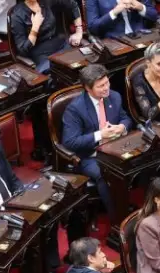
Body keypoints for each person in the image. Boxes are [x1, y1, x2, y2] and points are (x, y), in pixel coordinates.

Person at [61, 65, 133, 218]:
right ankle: (118, 219)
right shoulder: (75, 109)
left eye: (107, 83)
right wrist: (100, 134)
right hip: (91, 156)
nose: (106, 88)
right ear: (88, 88)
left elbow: (125, 118)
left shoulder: (114, 96)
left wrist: (122, 127)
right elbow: (70, 142)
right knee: (107, 175)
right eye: (101, 86)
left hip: (116, 148)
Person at [10, 0, 83, 72]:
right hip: (42, 54)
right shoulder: (17, 14)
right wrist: (35, 27)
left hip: (60, 44)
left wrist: (79, 31)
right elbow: (23, 49)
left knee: (81, 63)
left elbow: (72, 4)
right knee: (57, 73)